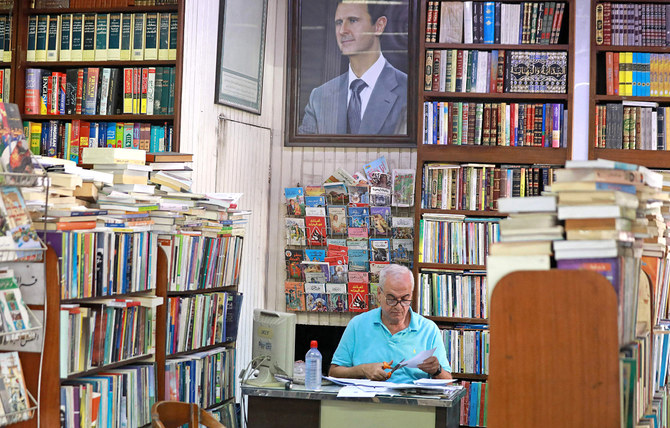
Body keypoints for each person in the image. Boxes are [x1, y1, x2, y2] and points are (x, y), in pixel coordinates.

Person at [298, 0, 407, 135]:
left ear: (379, 26)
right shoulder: (319, 97)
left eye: (353, 20)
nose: (343, 30)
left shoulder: (408, 91)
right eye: (339, 22)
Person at [329, 264, 451, 383]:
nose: (398, 306)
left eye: (404, 299)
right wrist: (362, 370)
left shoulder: (428, 329)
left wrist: (437, 370)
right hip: (368, 400)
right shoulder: (358, 325)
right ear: (379, 294)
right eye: (391, 299)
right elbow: (334, 373)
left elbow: (448, 382)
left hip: (413, 400)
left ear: (412, 295)